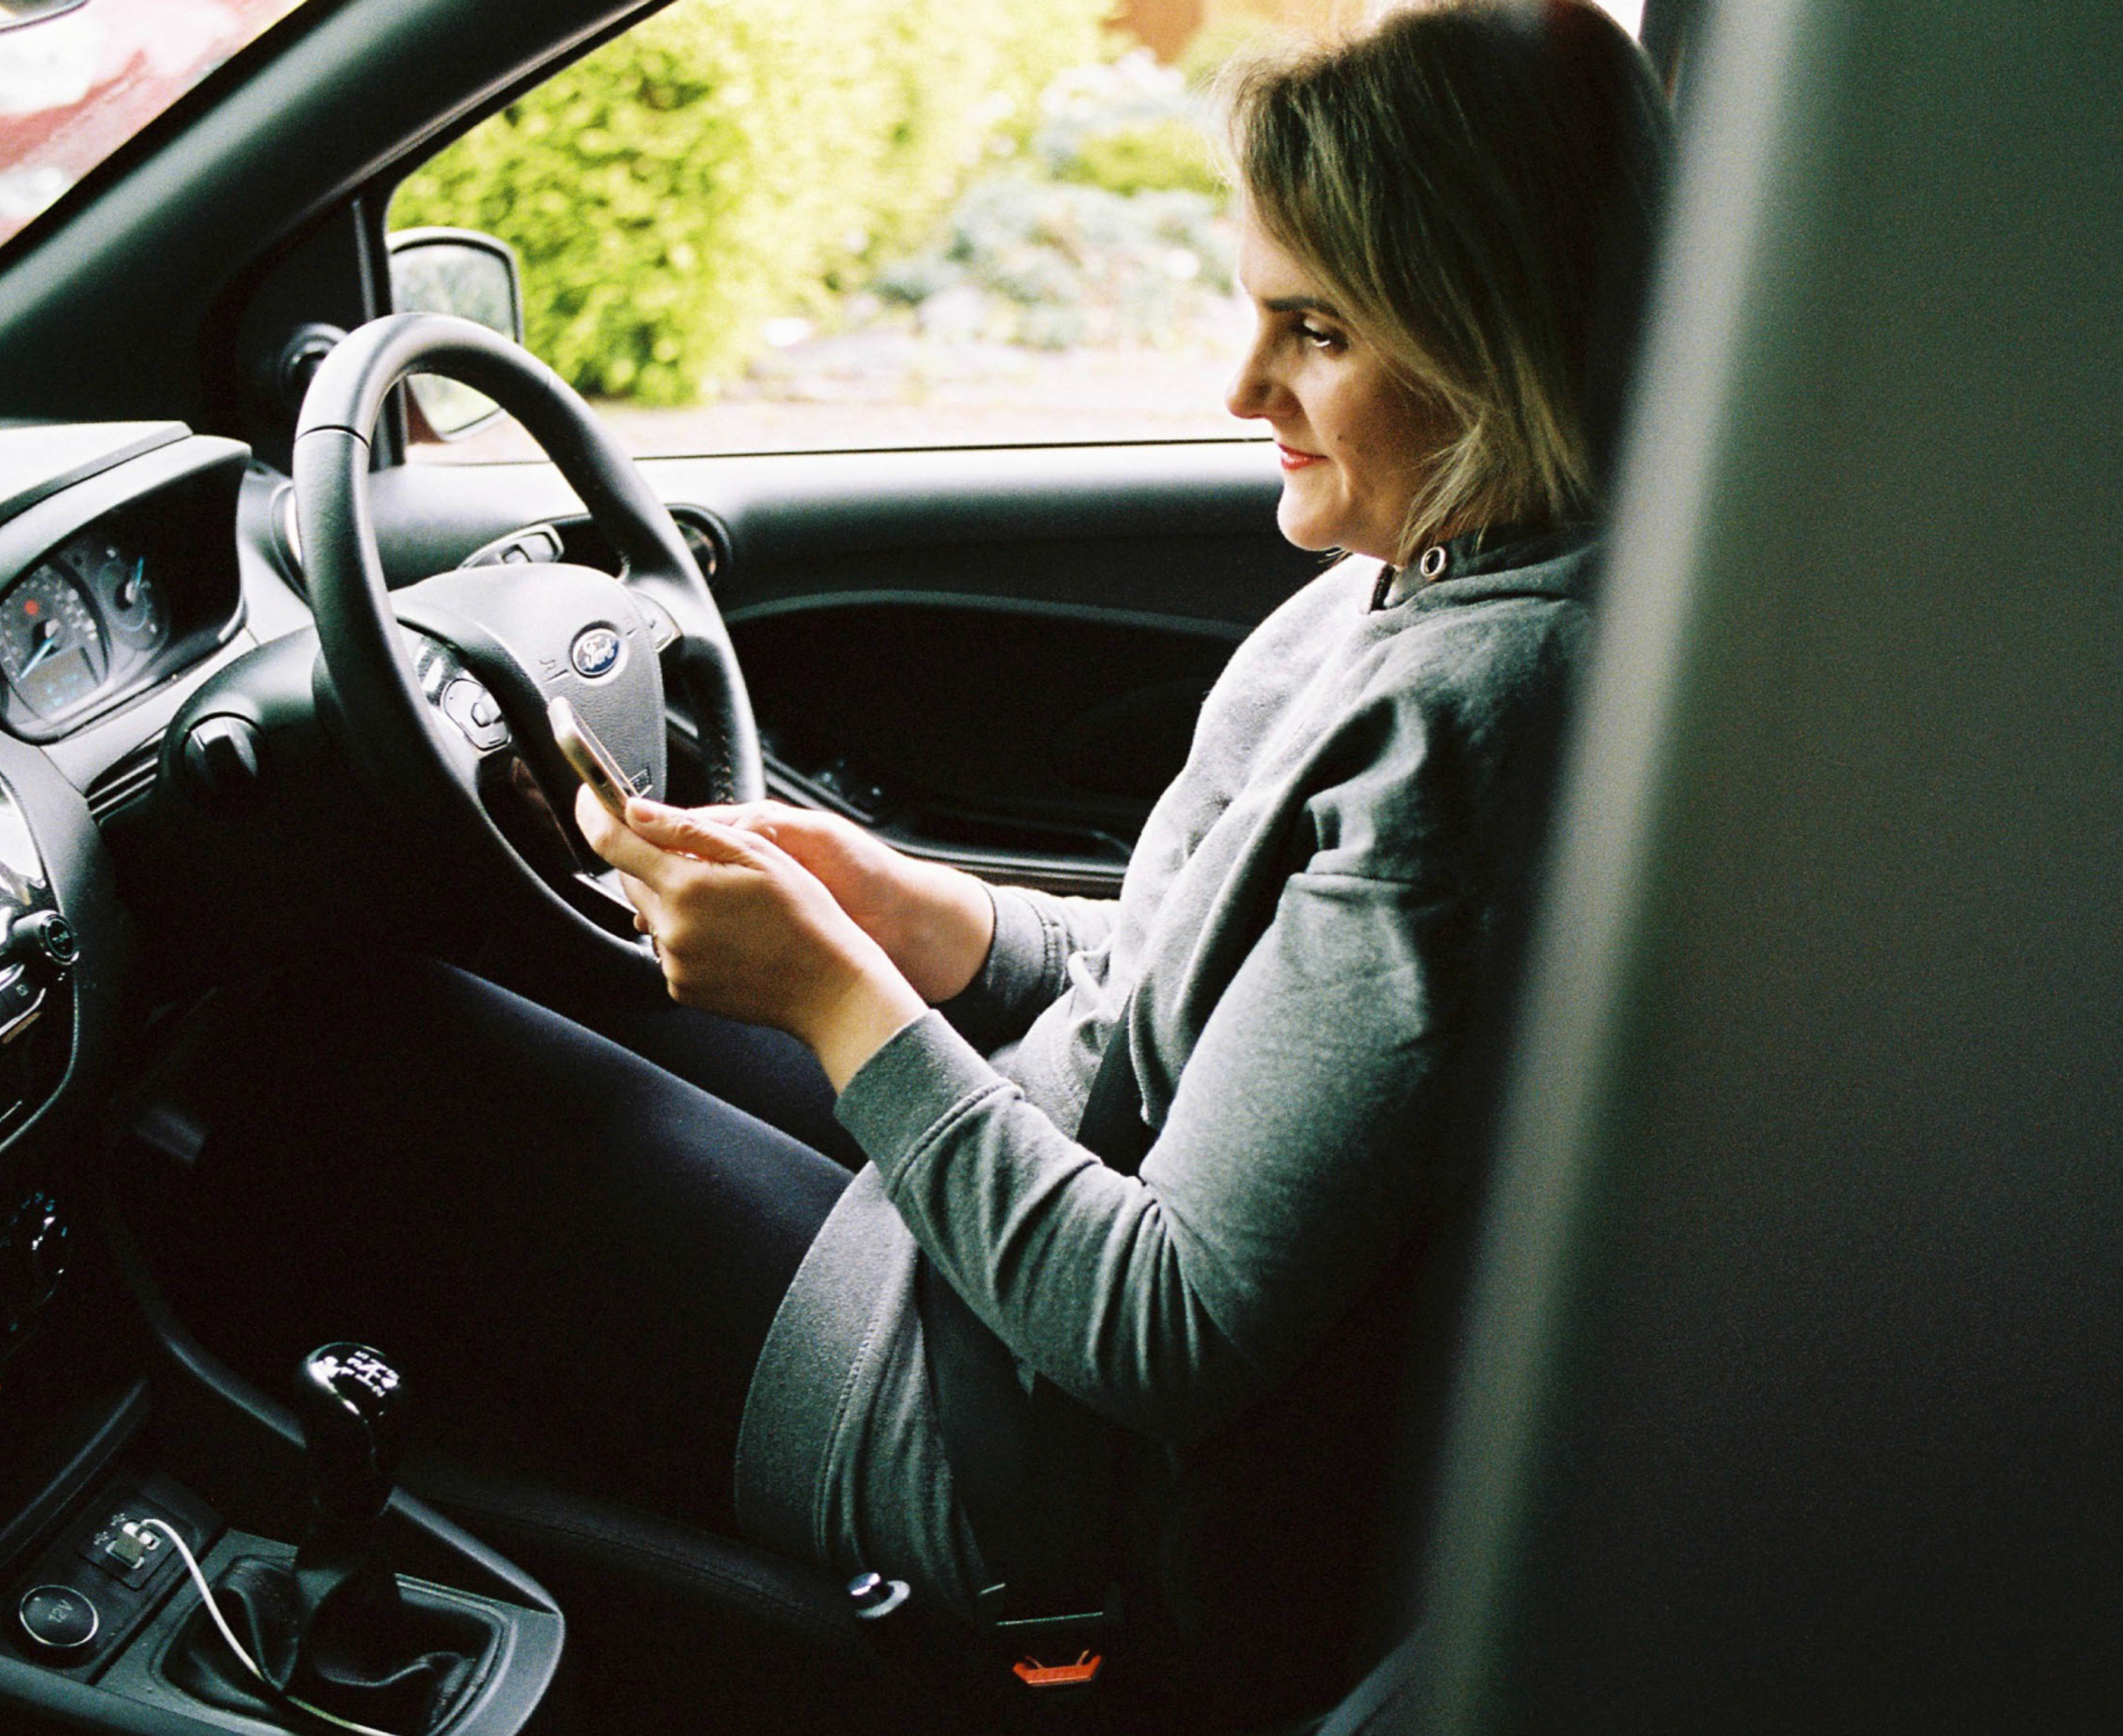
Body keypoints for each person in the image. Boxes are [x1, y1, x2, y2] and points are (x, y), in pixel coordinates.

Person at [199, 0, 1669, 1714]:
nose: (1243, 385)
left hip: (1016, 1442)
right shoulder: (1429, 566)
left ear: (1497, 340)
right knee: (509, 946)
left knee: (337, 1058)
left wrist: (839, 998)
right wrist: (932, 919)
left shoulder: (1472, 717)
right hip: (1034, 1182)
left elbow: (1167, 1329)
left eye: (1318, 332)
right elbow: (1199, 975)